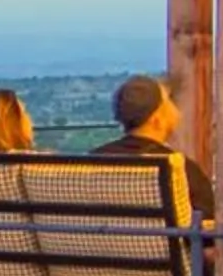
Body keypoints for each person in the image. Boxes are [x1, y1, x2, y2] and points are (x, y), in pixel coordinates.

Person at [91, 73, 215, 219]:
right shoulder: (179, 169)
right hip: (168, 242)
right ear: (157, 120)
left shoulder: (93, 161)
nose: (176, 109)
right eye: (169, 101)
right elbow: (208, 224)